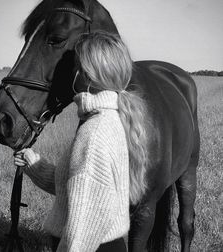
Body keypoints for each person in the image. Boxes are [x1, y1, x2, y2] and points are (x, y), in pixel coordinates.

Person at [14, 31, 149, 252]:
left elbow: (82, 232)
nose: (71, 73)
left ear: (86, 75)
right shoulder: (109, 119)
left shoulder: (94, 133)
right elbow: (78, 187)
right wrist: (33, 164)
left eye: (75, 67)